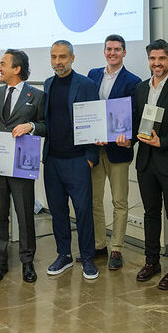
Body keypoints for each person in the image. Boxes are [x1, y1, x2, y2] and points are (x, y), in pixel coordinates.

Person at [120, 39, 168, 290]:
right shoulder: (141, 89)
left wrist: (162, 141)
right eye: (153, 59)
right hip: (145, 163)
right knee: (150, 214)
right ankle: (151, 262)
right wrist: (127, 142)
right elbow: (136, 125)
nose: (157, 63)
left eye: (162, 59)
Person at [0, 49, 45, 283]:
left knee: (25, 214)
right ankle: (0, 262)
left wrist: (31, 126)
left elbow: (46, 125)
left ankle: (27, 262)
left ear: (17, 69)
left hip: (22, 165)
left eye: (3, 64)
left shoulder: (36, 95)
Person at [43, 40, 101, 280]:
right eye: (54, 57)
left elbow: (96, 120)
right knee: (57, 211)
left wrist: (90, 158)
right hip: (53, 160)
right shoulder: (48, 84)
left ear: (72, 58)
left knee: (83, 212)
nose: (58, 62)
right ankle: (64, 255)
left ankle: (87, 258)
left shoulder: (86, 84)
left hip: (78, 159)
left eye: (63, 57)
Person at [87, 34, 141, 270]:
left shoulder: (134, 81)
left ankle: (116, 249)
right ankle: (100, 245)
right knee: (94, 200)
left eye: (117, 49)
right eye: (109, 49)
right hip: (95, 149)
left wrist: (130, 140)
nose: (112, 53)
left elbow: (136, 115)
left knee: (120, 201)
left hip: (118, 151)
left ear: (124, 52)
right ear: (104, 51)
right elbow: (88, 109)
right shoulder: (93, 75)